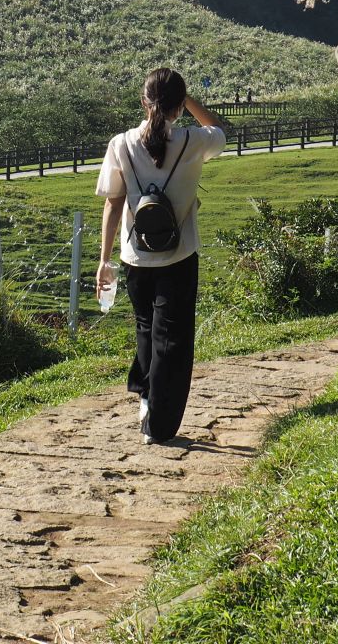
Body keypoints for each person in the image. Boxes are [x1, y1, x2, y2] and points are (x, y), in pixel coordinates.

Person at [95, 67, 226, 445]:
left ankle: (145, 395)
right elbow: (219, 129)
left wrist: (104, 260)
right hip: (179, 255)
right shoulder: (193, 141)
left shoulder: (121, 144)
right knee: (173, 338)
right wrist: (188, 101)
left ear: (143, 101)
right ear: (179, 106)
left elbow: (113, 203)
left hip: (135, 256)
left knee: (146, 327)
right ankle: (159, 424)